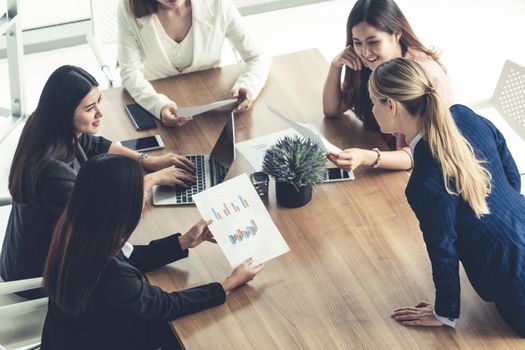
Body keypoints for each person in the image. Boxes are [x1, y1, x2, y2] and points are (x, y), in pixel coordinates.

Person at [0, 65, 196, 298]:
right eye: (90, 108)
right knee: (138, 285)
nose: (100, 113)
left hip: (21, 256)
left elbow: (95, 145)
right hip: (38, 279)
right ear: (64, 112)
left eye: (99, 101)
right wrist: (150, 180)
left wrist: (147, 161)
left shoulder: (46, 128)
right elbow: (107, 220)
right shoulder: (51, 173)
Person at [368, 57, 525, 337]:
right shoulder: (463, 115)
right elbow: (509, 170)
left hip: (510, 274)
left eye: (374, 102)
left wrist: (445, 311)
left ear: (391, 105)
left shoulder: (424, 181)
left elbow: (443, 249)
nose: (372, 110)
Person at [41, 154, 263, 349]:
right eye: (141, 192)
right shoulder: (111, 272)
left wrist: (184, 242)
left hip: (70, 337)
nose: (144, 198)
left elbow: (131, 257)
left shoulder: (78, 232)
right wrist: (229, 284)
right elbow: (164, 306)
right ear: (123, 206)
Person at [324, 0, 454, 172]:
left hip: (420, 172)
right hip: (384, 149)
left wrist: (367, 157)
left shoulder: (423, 76)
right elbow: (332, 110)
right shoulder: (368, 64)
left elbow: (423, 153)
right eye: (357, 42)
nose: (364, 52)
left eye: (373, 42)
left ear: (397, 34)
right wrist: (335, 66)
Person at [117, 0, 271, 127]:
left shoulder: (218, 3)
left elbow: (258, 55)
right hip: (157, 104)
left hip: (213, 109)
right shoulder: (128, 8)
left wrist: (248, 85)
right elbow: (130, 73)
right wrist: (159, 106)